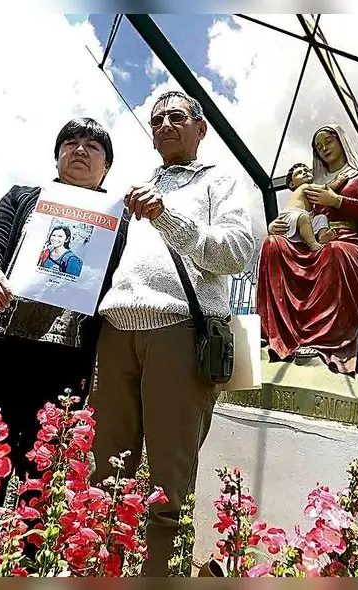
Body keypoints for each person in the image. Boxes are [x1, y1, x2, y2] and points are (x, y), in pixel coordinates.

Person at [87, 90, 255, 576]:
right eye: (156, 119)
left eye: (176, 117)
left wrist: (166, 215)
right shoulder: (131, 190)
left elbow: (235, 253)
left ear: (201, 129)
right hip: (116, 330)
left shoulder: (219, 181)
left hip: (180, 329)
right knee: (105, 470)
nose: (164, 125)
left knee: (168, 478)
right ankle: (99, 568)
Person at [0, 117, 129, 520]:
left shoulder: (122, 218)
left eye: (93, 146)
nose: (80, 149)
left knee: (47, 464)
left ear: (107, 167)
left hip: (71, 357)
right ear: (57, 155)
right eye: (71, 142)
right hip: (4, 345)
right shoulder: (24, 197)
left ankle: (27, 554)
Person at [256, 123, 358, 402]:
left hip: (348, 243)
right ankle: (277, 336)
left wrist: (337, 201)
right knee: (273, 246)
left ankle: (325, 343)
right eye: (318, 147)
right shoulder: (315, 184)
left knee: (334, 253)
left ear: (342, 141)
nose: (324, 148)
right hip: (314, 241)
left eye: (328, 141)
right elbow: (297, 213)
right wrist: (276, 226)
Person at [275, 162, 346, 251]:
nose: (304, 172)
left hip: (307, 220)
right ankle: (312, 244)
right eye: (299, 173)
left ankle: (322, 236)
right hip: (292, 215)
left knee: (321, 218)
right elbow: (326, 189)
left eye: (307, 170)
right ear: (292, 184)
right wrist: (339, 181)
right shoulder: (305, 186)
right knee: (303, 217)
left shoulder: (309, 191)